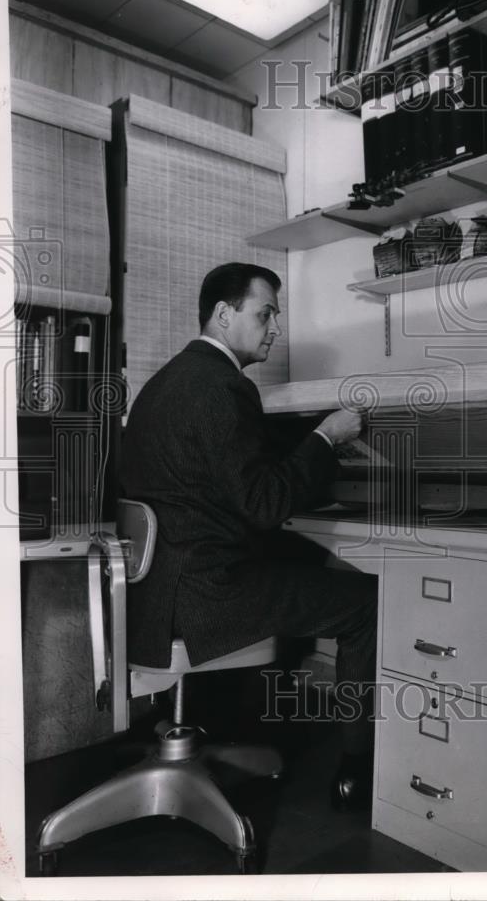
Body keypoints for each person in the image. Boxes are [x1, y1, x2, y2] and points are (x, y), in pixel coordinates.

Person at [118, 262, 377, 811]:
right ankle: (360, 770)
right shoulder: (221, 387)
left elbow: (225, 483)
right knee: (364, 603)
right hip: (202, 597)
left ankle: (250, 722)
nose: (274, 328)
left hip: (155, 593)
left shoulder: (165, 383)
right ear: (223, 314)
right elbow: (264, 503)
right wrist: (327, 438)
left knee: (302, 559)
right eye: (265, 314)